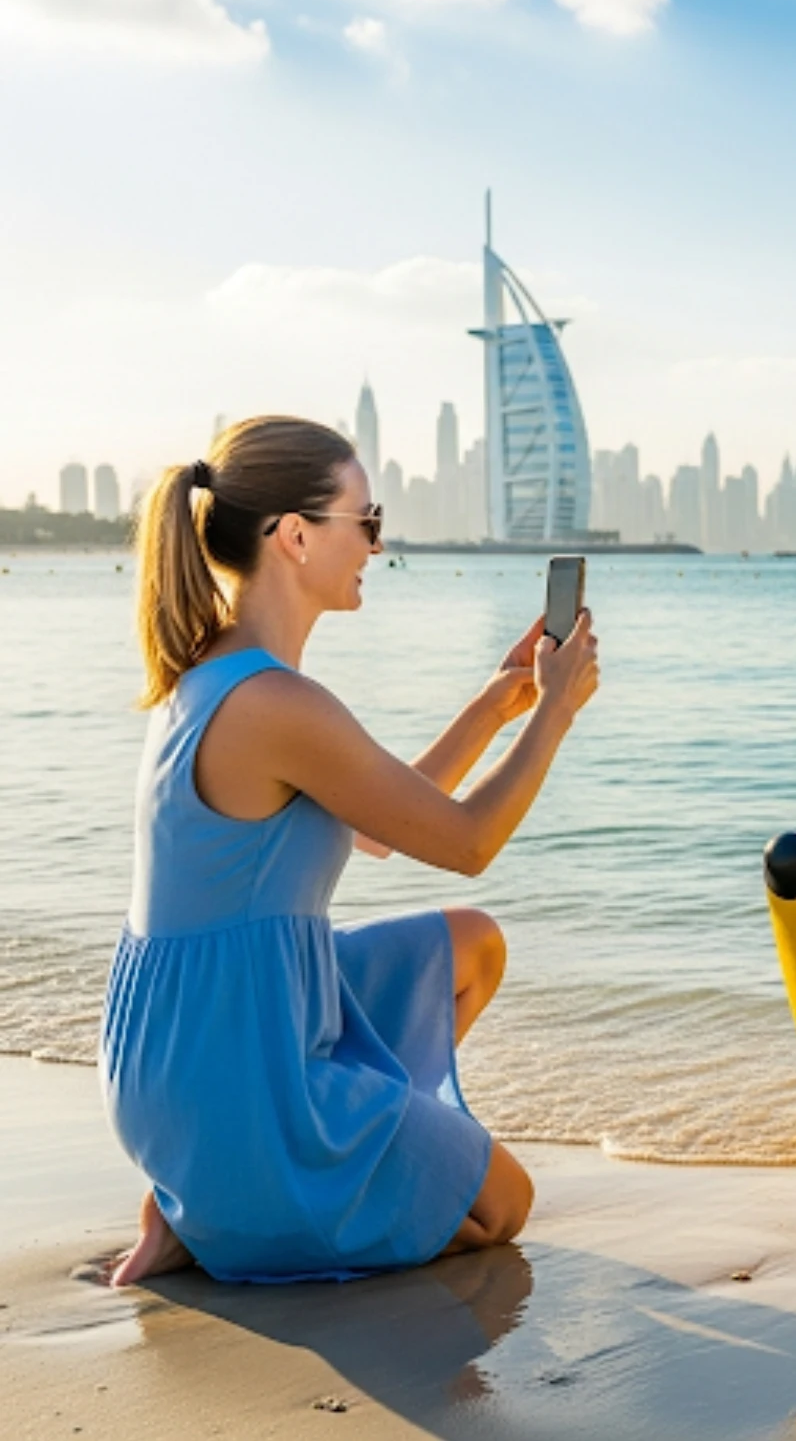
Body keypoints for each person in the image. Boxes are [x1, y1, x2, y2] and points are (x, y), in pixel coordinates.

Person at [102, 416, 599, 1287]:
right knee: (501, 1206)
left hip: (211, 1033)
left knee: (471, 944)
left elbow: (371, 827)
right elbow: (469, 841)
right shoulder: (276, 704)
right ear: (295, 536)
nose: (377, 542)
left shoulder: (216, 670)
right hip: (237, 1072)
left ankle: (268, 1184)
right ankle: (243, 1212)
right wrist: (558, 712)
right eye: (364, 521)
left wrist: (499, 703)